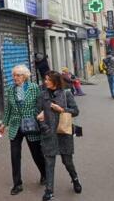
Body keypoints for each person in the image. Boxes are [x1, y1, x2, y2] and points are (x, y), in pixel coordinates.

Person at [0, 65, 46, 195]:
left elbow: (40, 105)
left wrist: (38, 115)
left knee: (37, 153)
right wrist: (3, 124)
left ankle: (44, 174)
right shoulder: (10, 89)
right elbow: (8, 109)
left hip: (31, 125)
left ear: (24, 76)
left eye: (18, 75)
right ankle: (17, 184)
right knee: (15, 156)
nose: (15, 78)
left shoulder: (34, 88)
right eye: (14, 75)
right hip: (15, 125)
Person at [37, 71, 82, 201]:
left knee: (67, 161)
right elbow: (37, 113)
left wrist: (62, 110)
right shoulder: (42, 95)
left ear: (55, 81)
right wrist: (43, 127)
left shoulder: (66, 94)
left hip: (64, 133)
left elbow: (76, 111)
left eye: (47, 79)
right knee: (49, 163)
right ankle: (49, 191)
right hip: (48, 134)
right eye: (45, 79)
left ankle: (75, 178)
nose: (45, 82)